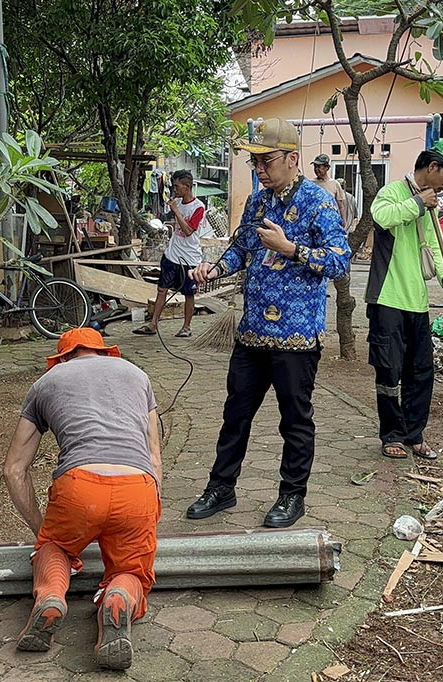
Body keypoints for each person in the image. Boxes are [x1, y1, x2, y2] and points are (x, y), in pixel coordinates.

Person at [184, 118, 351, 528]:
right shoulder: (257, 202)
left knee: (294, 421)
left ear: (292, 159)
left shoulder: (318, 203)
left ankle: (292, 496)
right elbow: (240, 249)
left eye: (267, 160)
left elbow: (340, 261)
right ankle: (221, 487)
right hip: (253, 332)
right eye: (254, 162)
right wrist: (213, 269)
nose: (260, 169)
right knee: (235, 414)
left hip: (296, 336)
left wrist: (291, 248)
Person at [3, 328, 161, 671]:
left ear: (61, 359)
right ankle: (119, 597)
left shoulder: (46, 383)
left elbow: (13, 469)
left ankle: (50, 596)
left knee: (55, 548)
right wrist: (148, 516)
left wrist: (44, 534)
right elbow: (154, 458)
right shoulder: (137, 375)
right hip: (137, 485)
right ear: (104, 352)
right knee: (131, 570)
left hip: (78, 486)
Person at [365, 140, 443, 460]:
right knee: (388, 373)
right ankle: (392, 434)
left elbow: (435, 244)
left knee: (421, 372)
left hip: (417, 303)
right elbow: (381, 216)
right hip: (387, 299)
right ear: (432, 167)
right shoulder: (393, 192)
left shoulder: (431, 204)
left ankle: (414, 434)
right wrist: (418, 202)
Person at [133, 170, 206, 338]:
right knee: (162, 289)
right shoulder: (177, 202)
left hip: (190, 258)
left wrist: (176, 211)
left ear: (187, 187)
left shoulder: (198, 207)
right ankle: (153, 324)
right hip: (172, 254)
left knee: (189, 294)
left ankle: (186, 327)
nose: (175, 190)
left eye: (177, 186)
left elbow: (188, 231)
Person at [311, 154, 350, 229]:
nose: (316, 169)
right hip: (314, 222)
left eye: (319, 167)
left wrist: (344, 221)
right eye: (315, 166)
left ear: (327, 168)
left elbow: (341, 206)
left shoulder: (335, 184)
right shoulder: (311, 184)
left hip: (330, 222)